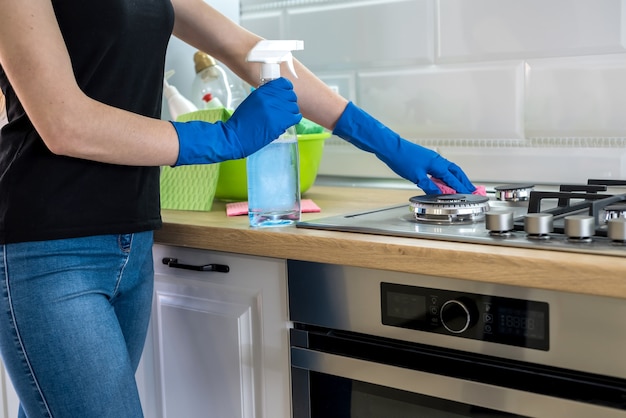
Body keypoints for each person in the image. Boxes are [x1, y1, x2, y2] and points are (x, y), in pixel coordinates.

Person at [0, 0, 476, 416]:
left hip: (130, 240)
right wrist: (221, 138)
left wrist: (386, 143)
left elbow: (251, 51)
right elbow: (65, 123)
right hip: (46, 249)